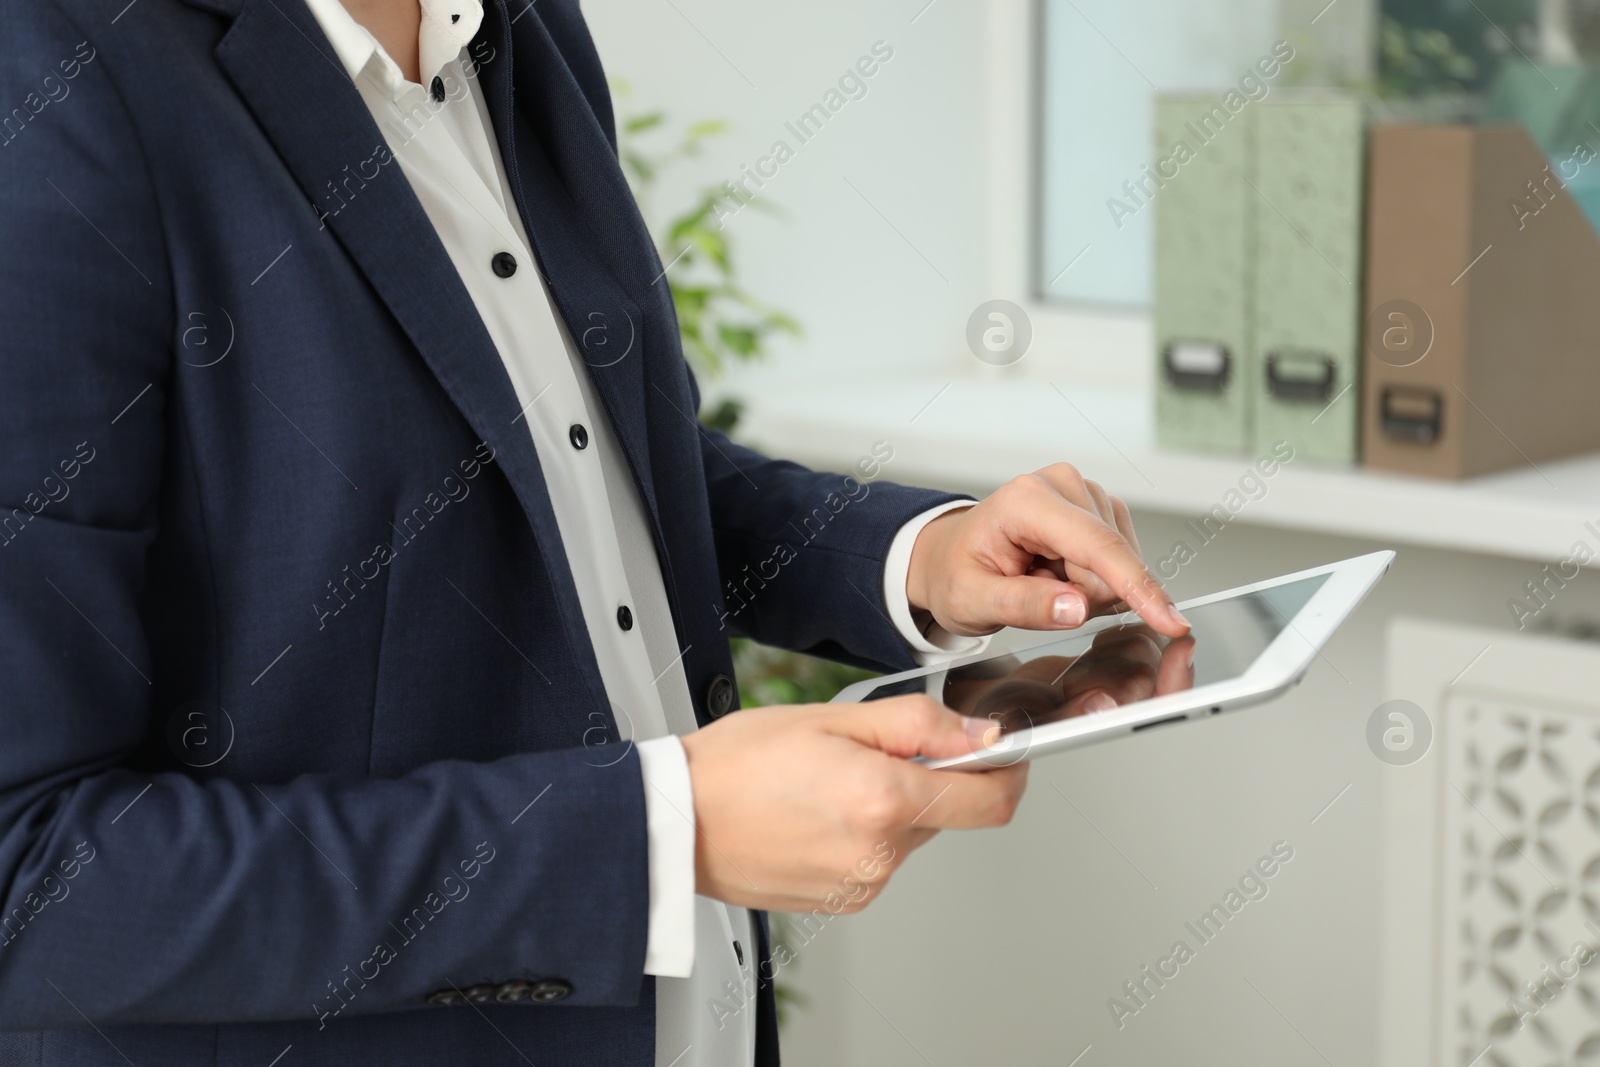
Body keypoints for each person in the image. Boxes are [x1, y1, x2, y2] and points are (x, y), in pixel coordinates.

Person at [0, 1, 1189, 1064]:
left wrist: (915, 558)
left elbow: (586, 463)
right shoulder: (56, 77)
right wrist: (656, 832)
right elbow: (29, 878)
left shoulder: (522, 31)